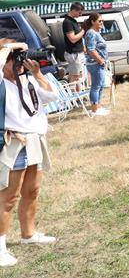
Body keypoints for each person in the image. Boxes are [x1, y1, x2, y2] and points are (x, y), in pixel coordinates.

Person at [0, 41, 58, 267]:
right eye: (15, 58)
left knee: (32, 191)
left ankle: (28, 234)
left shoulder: (28, 80)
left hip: (35, 140)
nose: (20, 62)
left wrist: (37, 73)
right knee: (8, 198)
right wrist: (8, 48)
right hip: (15, 144)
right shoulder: (1, 82)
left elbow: (51, 97)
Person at [82, 12, 110, 116]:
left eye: (102, 21)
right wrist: (101, 61)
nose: (102, 23)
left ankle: (98, 107)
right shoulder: (91, 33)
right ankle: (94, 110)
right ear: (93, 22)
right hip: (95, 64)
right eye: (99, 21)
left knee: (101, 85)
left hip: (99, 64)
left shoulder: (96, 32)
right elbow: (91, 50)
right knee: (96, 86)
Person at [62, 2, 86, 90]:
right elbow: (72, 39)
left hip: (77, 53)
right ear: (73, 10)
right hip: (74, 54)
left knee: (78, 75)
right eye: (79, 12)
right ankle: (73, 94)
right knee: (74, 76)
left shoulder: (72, 21)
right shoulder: (67, 22)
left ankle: (78, 93)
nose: (81, 14)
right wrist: (83, 30)